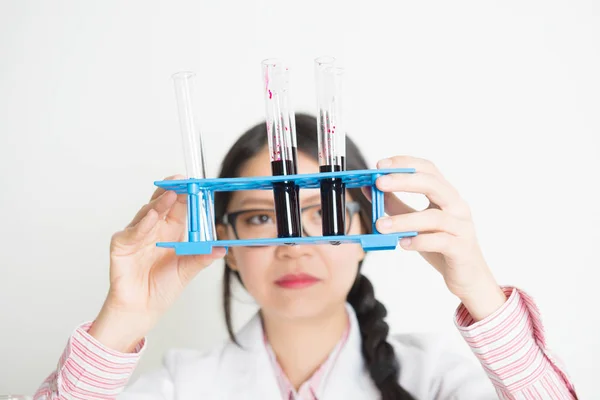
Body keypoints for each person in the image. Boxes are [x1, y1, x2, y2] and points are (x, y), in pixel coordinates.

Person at [34, 114, 577, 399]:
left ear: (367, 227)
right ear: (224, 245)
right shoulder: (182, 387)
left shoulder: (433, 379)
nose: (294, 244)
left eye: (326, 213)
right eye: (261, 218)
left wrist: (481, 293)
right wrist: (119, 323)